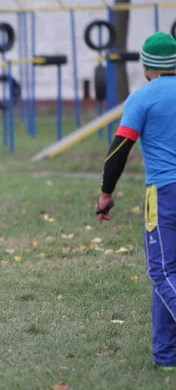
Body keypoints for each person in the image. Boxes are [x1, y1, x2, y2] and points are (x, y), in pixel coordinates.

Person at [96, 31, 176, 369]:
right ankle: (166, 355)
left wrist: (106, 194)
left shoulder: (142, 98)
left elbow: (119, 149)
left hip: (164, 193)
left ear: (146, 67)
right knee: (170, 273)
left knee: (161, 271)